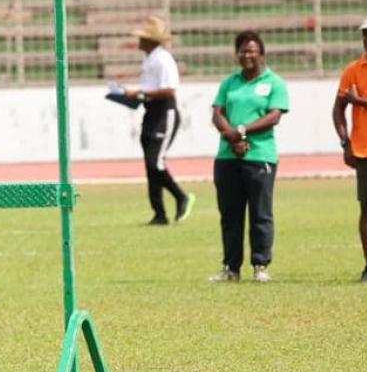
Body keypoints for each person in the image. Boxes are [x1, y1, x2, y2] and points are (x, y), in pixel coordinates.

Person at [208, 31, 289, 283]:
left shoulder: (274, 82)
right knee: (230, 214)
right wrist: (232, 137)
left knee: (260, 213)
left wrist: (241, 131)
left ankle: (260, 265)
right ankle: (231, 268)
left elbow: (274, 116)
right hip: (228, 157)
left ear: (262, 54)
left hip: (259, 155)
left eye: (252, 50)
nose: (247, 55)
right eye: (242, 50)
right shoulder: (229, 82)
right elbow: (217, 112)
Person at [122, 16, 193, 226]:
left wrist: (140, 92)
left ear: (152, 41)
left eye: (143, 38)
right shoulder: (151, 59)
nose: (139, 42)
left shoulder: (163, 59)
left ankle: (182, 197)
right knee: (150, 164)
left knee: (156, 162)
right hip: (151, 112)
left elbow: (169, 89)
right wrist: (135, 96)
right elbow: (151, 90)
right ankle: (159, 213)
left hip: (165, 113)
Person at [332, 14, 367, 282]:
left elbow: (353, 101)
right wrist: (345, 141)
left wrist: (358, 100)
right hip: (364, 151)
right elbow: (337, 109)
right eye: (366, 38)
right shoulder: (352, 70)